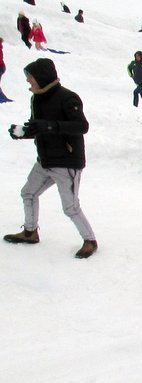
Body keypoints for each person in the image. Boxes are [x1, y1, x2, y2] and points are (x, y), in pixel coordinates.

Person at [5, 58, 97, 259]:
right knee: (28, 193)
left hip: (66, 163)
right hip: (45, 160)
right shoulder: (36, 98)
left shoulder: (68, 98)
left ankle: (90, 241)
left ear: (42, 76)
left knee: (70, 208)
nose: (28, 80)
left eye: (30, 76)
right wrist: (24, 132)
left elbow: (82, 126)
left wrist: (48, 126)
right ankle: (30, 232)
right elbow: (39, 126)